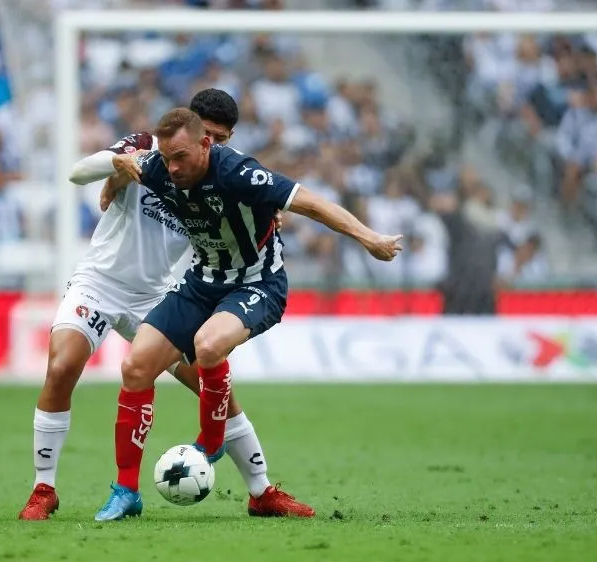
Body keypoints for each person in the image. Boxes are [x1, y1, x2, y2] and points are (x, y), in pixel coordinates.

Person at [18, 90, 315, 521]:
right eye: (205, 132)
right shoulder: (147, 149)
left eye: (219, 138)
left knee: (213, 390)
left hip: (155, 295)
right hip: (99, 283)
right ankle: (43, 489)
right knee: (63, 366)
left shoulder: (220, 175)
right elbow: (79, 173)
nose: (209, 144)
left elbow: (257, 213)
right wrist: (115, 165)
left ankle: (261, 490)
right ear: (188, 124)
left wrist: (268, 216)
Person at [95, 108, 403, 521]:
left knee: (208, 344)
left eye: (180, 157)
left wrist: (370, 238)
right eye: (166, 158)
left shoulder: (239, 173)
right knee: (135, 367)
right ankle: (126, 490)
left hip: (257, 284)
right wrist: (114, 179)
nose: (172, 168)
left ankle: (211, 438)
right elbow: (128, 170)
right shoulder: (162, 167)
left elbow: (310, 203)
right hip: (202, 282)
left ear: (207, 143)